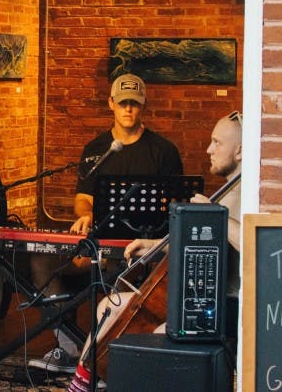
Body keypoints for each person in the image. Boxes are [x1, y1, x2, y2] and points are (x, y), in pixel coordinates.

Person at [68, 110, 243, 390]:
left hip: (225, 306)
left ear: (240, 152)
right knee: (108, 307)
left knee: (162, 334)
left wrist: (213, 215)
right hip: (195, 298)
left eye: (217, 143)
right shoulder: (227, 191)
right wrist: (153, 245)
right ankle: (82, 383)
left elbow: (253, 242)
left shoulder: (251, 194)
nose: (208, 149)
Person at [28, 74, 183, 374]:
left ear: (143, 107)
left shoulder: (163, 152)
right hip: (99, 246)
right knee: (42, 262)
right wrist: (85, 214)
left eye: (134, 104)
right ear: (111, 103)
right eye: (123, 103)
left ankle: (109, 360)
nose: (128, 110)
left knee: (118, 273)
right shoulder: (97, 150)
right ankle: (69, 347)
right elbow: (83, 199)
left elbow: (175, 206)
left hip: (144, 251)